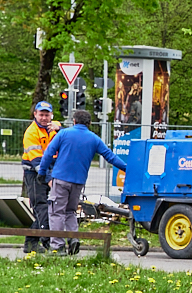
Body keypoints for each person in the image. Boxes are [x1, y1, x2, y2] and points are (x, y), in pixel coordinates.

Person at [38, 109, 127, 255]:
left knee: (56, 212)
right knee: (70, 211)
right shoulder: (94, 139)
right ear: (89, 123)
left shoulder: (63, 134)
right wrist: (127, 168)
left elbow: (48, 153)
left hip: (60, 179)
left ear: (74, 121)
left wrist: (42, 172)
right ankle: (74, 239)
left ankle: (58, 246)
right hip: (78, 182)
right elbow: (110, 157)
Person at [21, 101, 61, 254]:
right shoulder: (31, 133)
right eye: (41, 114)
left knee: (47, 208)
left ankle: (31, 243)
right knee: (41, 207)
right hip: (34, 172)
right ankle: (48, 242)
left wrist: (60, 129)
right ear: (35, 114)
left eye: (47, 115)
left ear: (51, 115)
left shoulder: (55, 127)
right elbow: (37, 162)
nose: (44, 118)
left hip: (50, 170)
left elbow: (67, 136)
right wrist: (49, 179)